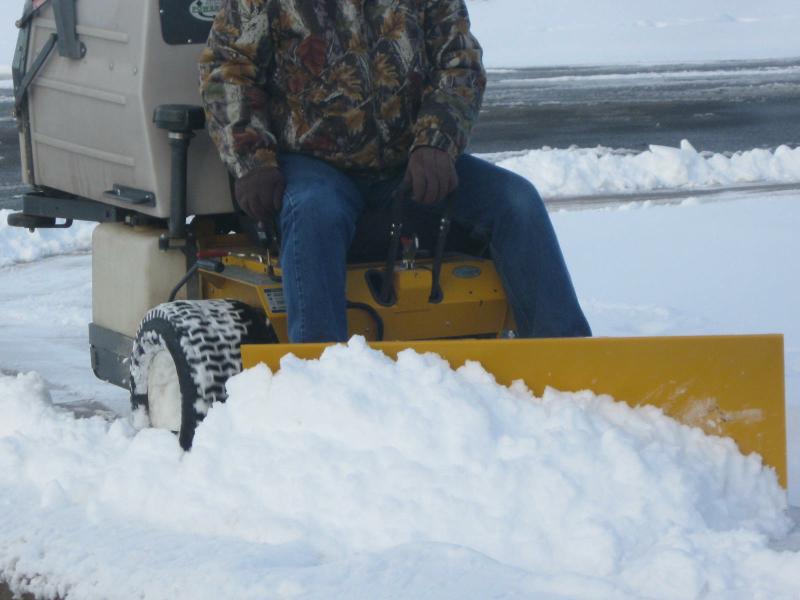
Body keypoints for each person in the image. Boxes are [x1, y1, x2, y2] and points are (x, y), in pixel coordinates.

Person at [199, 0, 591, 342]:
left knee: (515, 201)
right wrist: (252, 161)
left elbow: (459, 64)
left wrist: (435, 142)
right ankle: (318, 373)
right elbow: (227, 70)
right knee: (314, 210)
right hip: (313, 165)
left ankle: (570, 361)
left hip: (409, 162)